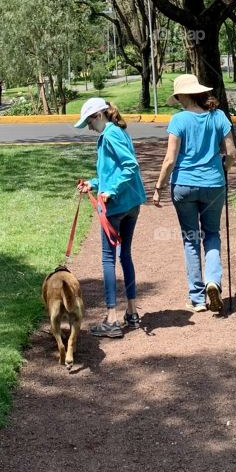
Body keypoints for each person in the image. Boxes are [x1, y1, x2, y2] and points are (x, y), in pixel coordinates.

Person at [153, 73, 236, 314]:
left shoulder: (178, 120)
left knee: (191, 239)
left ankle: (197, 298)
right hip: (213, 185)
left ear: (182, 95)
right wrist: (224, 169)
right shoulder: (218, 116)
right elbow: (231, 152)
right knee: (212, 233)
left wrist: (158, 187)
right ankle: (213, 280)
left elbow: (170, 160)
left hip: (183, 186)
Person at [74, 96, 147, 338]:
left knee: (108, 258)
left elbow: (130, 165)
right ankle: (132, 313)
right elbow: (113, 171)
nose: (88, 127)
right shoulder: (118, 131)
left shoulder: (111, 134)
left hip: (116, 206)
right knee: (124, 255)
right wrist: (94, 184)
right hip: (131, 202)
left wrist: (110, 191)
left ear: (99, 116)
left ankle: (112, 318)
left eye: (88, 122)